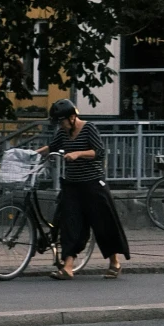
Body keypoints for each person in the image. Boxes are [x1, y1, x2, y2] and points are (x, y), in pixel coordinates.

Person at [40, 99, 129, 278]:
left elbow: (100, 151)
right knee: (70, 224)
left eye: (63, 121)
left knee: (103, 225)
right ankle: (68, 267)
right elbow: (52, 147)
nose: (61, 126)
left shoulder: (89, 128)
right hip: (73, 185)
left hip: (92, 184)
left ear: (73, 117)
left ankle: (114, 262)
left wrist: (78, 153)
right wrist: (32, 154)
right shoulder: (63, 132)